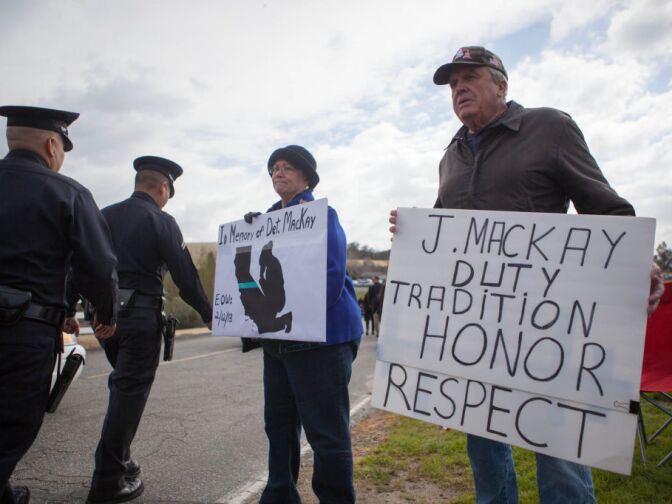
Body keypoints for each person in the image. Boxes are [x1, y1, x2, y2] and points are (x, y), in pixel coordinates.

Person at [389, 46, 666, 503]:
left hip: (547, 329)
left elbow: (605, 206)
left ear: (501, 84)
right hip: (475, 332)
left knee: (560, 457)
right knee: (483, 445)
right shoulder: (450, 156)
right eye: (452, 84)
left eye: (470, 78)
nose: (459, 89)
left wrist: (639, 261)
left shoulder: (549, 127)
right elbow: (446, 235)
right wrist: (415, 233)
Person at [0, 106, 118, 504]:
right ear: (52, 145)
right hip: (23, 334)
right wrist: (104, 314)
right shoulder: (67, 192)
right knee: (12, 427)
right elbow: (99, 267)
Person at [86, 156, 213, 504]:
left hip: (105, 318)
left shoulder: (104, 215)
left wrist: (70, 307)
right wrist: (207, 311)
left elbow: (81, 260)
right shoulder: (162, 220)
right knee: (127, 396)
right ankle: (107, 481)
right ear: (162, 187)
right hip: (141, 316)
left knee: (122, 392)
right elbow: (185, 275)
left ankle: (121, 462)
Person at [244, 145, 362, 503]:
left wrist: (300, 319)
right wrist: (250, 233)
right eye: (274, 169)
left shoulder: (322, 215)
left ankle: (336, 498)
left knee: (325, 432)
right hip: (279, 339)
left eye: (287, 168)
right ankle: (279, 494)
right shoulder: (265, 220)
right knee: (278, 425)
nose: (278, 173)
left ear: (307, 177)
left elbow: (331, 272)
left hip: (320, 339)